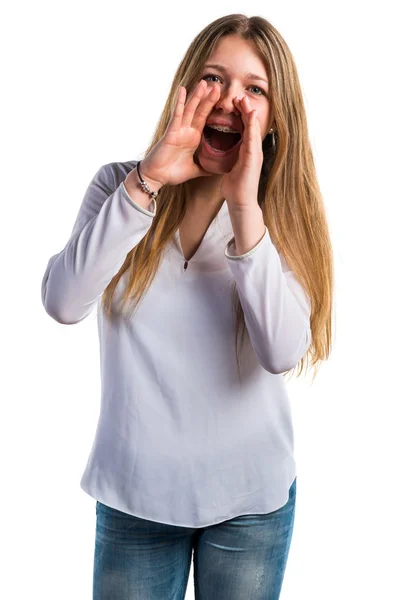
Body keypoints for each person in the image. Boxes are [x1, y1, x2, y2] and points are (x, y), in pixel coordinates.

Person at [41, 13, 334, 600]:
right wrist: (149, 179)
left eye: (255, 89)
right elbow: (63, 301)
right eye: (214, 78)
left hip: (250, 502)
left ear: (277, 117)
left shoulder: (282, 214)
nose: (230, 99)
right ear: (185, 90)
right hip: (135, 496)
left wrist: (245, 209)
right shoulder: (119, 186)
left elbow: (281, 351)